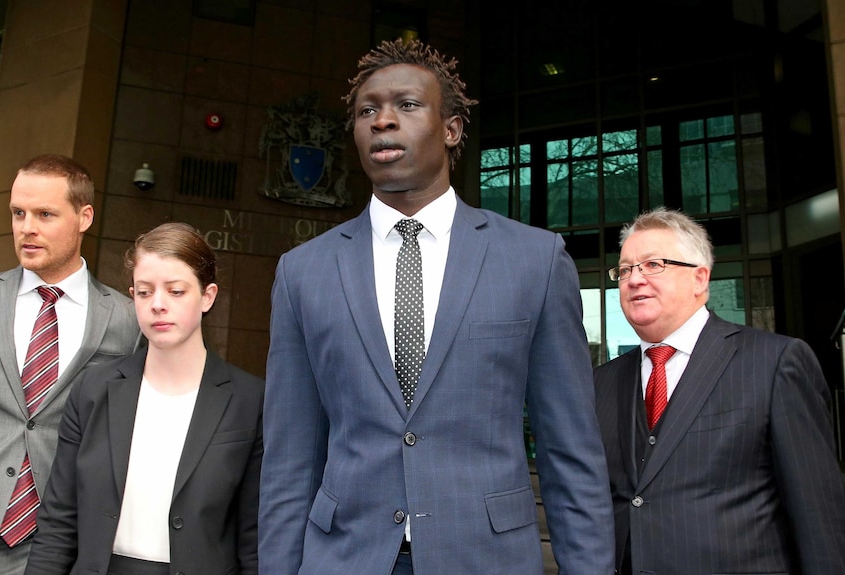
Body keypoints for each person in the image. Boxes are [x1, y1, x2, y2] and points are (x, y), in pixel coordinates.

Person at [259, 38, 614, 575]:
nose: (382, 120)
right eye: (367, 110)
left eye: (406, 105)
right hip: (344, 558)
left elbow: (570, 449)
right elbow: (289, 459)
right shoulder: (302, 272)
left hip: (485, 558)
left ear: (451, 130)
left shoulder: (534, 260)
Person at [595, 207, 845, 574]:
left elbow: (818, 513)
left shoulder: (774, 362)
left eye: (653, 265)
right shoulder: (602, 382)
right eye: (626, 269)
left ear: (700, 279)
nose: (634, 279)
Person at [23, 222, 264, 575]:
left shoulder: (249, 401)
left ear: (208, 296)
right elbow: (59, 522)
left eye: (176, 291)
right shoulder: (93, 390)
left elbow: (253, 537)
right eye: (145, 292)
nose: (158, 305)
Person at [0, 154, 141, 575]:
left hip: (64, 542)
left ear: (84, 217)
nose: (26, 227)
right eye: (18, 213)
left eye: (45, 214)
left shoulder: (128, 320)